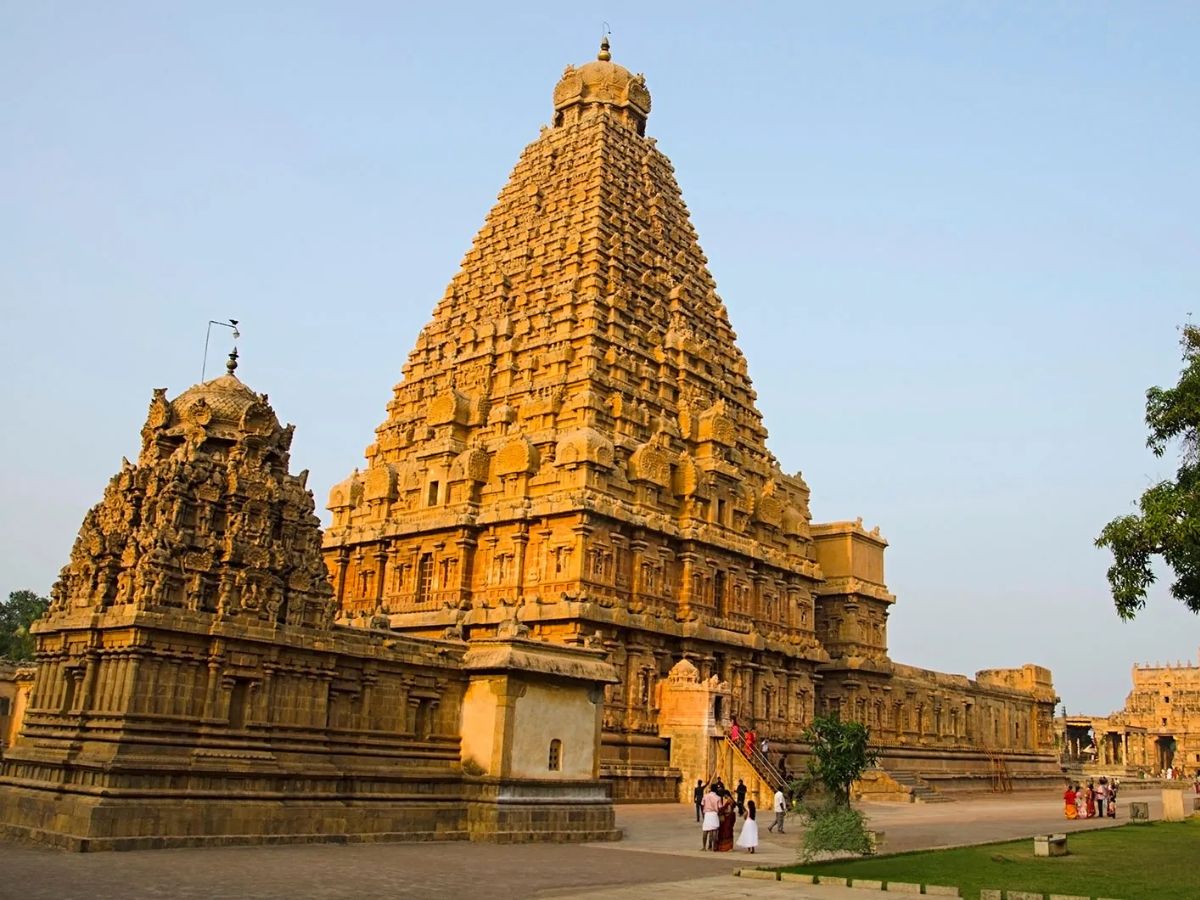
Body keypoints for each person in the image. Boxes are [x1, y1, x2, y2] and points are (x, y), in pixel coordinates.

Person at [700, 783, 721, 850]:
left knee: (705, 830)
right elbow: (720, 807)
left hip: (707, 814)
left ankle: (704, 847)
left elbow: (702, 804)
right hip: (714, 814)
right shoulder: (718, 798)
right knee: (714, 830)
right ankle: (714, 846)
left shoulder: (705, 796)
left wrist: (703, 813)